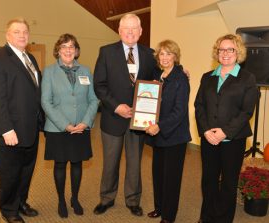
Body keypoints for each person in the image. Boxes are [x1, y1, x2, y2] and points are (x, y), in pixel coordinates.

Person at [93, 13, 156, 216]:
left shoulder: (150, 54)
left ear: (140, 31)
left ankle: (133, 200)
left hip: (139, 120)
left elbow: (158, 81)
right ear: (119, 31)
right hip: (113, 118)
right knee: (110, 162)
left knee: (135, 163)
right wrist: (116, 106)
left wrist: (181, 71)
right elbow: (99, 85)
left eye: (134, 28)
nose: (130, 32)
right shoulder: (106, 52)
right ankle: (107, 198)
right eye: (126, 28)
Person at [0, 18, 44, 223]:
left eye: (25, 31)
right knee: (10, 173)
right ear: (7, 35)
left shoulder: (31, 59)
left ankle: (21, 202)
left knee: (26, 171)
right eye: (16, 31)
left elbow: (35, 93)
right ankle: (9, 209)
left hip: (30, 128)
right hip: (10, 132)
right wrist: (6, 129)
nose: (22, 35)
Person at [194, 34, 258, 223]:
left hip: (233, 140)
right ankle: (206, 217)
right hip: (208, 139)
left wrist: (225, 132)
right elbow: (199, 106)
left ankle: (222, 219)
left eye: (230, 49)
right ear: (217, 52)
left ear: (238, 52)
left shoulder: (247, 78)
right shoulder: (208, 77)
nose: (225, 53)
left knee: (229, 183)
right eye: (222, 49)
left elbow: (246, 111)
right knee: (208, 181)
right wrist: (205, 130)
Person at [41, 33, 99, 218]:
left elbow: (93, 99)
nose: (68, 50)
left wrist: (85, 122)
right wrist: (65, 125)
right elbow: (45, 102)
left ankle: (74, 198)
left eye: (71, 47)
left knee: (77, 163)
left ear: (76, 51)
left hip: (81, 126)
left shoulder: (85, 70)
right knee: (60, 164)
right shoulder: (49, 72)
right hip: (58, 127)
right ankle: (61, 200)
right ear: (58, 50)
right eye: (64, 47)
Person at [145, 40, 191, 223]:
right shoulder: (157, 75)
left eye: (168, 54)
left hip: (174, 137)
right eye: (161, 54)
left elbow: (179, 112)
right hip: (158, 136)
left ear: (175, 56)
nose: (164, 58)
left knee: (171, 179)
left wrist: (160, 126)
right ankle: (159, 207)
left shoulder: (180, 79)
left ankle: (169, 216)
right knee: (158, 174)